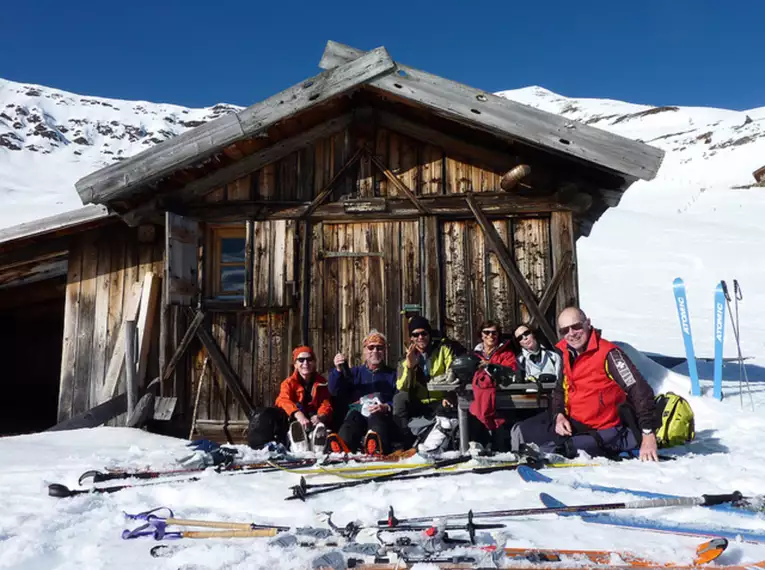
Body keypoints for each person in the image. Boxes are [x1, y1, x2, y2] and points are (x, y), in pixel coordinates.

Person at [511, 307, 659, 462]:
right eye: (565, 330)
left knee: (556, 450)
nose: (571, 333)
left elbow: (640, 390)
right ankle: (517, 462)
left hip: (604, 428)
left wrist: (648, 433)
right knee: (521, 431)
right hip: (573, 422)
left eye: (576, 326)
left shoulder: (608, 354)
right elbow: (560, 390)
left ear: (588, 323)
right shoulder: (566, 353)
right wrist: (559, 415)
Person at [326, 330, 398, 455]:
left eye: (379, 348)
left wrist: (386, 407)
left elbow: (397, 397)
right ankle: (342, 445)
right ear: (364, 350)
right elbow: (334, 390)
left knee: (377, 420)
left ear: (384, 351)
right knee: (352, 419)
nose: (375, 351)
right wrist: (338, 370)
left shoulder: (392, 374)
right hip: (357, 414)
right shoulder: (354, 373)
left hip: (379, 414)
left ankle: (375, 445)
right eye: (371, 347)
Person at [247, 346, 332, 452]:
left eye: (309, 359)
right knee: (266, 413)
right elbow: (283, 400)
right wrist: (297, 414)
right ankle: (295, 441)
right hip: (292, 420)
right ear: (295, 364)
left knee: (322, 424)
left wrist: (320, 417)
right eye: (301, 360)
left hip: (312, 419)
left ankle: (316, 441)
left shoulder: (322, 383)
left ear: (314, 363)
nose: (305, 363)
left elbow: (326, 403)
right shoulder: (288, 383)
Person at [393, 316, 459, 452]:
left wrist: (449, 393)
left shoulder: (443, 350)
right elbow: (402, 386)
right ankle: (406, 443)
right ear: (411, 338)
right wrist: (410, 367)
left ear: (429, 334)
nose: (420, 337)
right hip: (418, 400)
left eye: (424, 333)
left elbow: (452, 374)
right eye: (415, 335)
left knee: (451, 404)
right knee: (399, 398)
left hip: (439, 399)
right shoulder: (405, 357)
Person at [468, 321, 519, 453]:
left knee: (501, 434)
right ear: (481, 335)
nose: (490, 336)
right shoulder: (474, 355)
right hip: (479, 400)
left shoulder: (506, 353)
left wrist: (490, 367)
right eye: (486, 332)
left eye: (494, 333)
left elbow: (511, 372)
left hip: (502, 400)